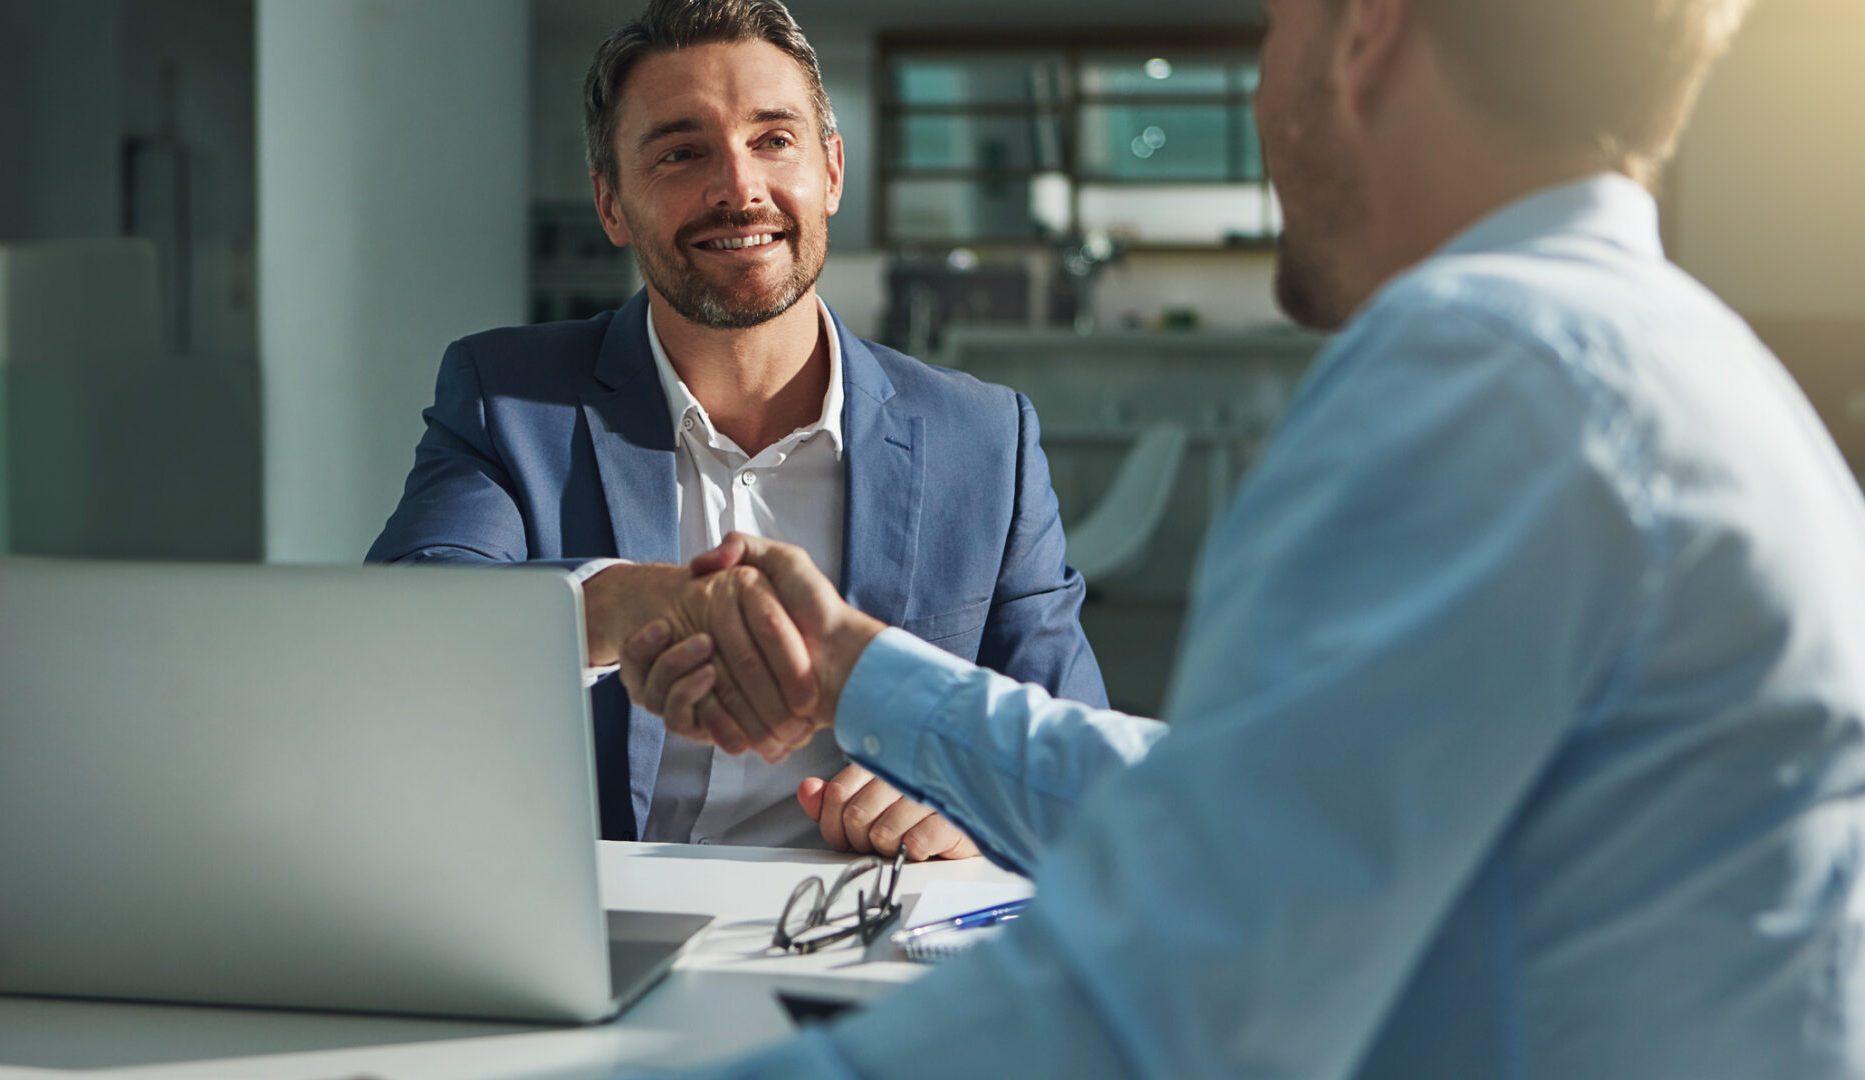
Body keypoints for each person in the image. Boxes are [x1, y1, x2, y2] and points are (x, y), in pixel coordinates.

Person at [619, 0, 1865, 1074]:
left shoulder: (1482, 373)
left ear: (1364, 36)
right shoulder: (1671, 362)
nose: (1267, 90)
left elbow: (1155, 1009)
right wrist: (859, 671)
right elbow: (1232, 809)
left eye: (1275, 27)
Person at [365, 0, 1105, 856]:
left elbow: (1074, 756)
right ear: (612, 204)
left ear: (831, 170)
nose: (739, 188)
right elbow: (405, 626)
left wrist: (977, 805)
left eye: (773, 140)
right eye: (682, 152)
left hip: (867, 936)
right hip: (594, 936)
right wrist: (630, 602)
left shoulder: (985, 441)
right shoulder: (508, 398)